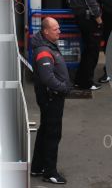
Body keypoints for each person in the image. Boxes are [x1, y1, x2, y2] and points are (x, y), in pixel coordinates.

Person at [30, 17, 72, 184]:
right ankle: (50, 172)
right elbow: (48, 79)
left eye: (59, 28)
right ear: (46, 31)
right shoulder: (43, 51)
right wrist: (64, 87)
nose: (59, 31)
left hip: (50, 97)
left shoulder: (48, 46)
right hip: (51, 98)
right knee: (52, 134)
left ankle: (37, 167)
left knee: (44, 131)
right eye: (56, 29)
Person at [67, 0, 103, 90]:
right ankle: (87, 83)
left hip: (79, 18)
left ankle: (79, 80)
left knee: (87, 50)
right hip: (89, 21)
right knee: (92, 52)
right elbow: (92, 4)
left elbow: (70, 0)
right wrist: (99, 20)